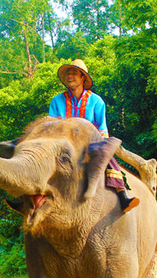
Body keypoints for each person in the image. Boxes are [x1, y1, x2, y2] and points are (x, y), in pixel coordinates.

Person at [49, 59, 139, 213]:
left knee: (108, 157)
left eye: (74, 73)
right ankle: (30, 200)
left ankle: (122, 195)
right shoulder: (57, 101)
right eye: (68, 73)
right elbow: (51, 126)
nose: (70, 76)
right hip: (63, 144)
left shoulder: (97, 101)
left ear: (83, 77)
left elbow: (102, 129)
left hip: (90, 144)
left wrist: (98, 142)